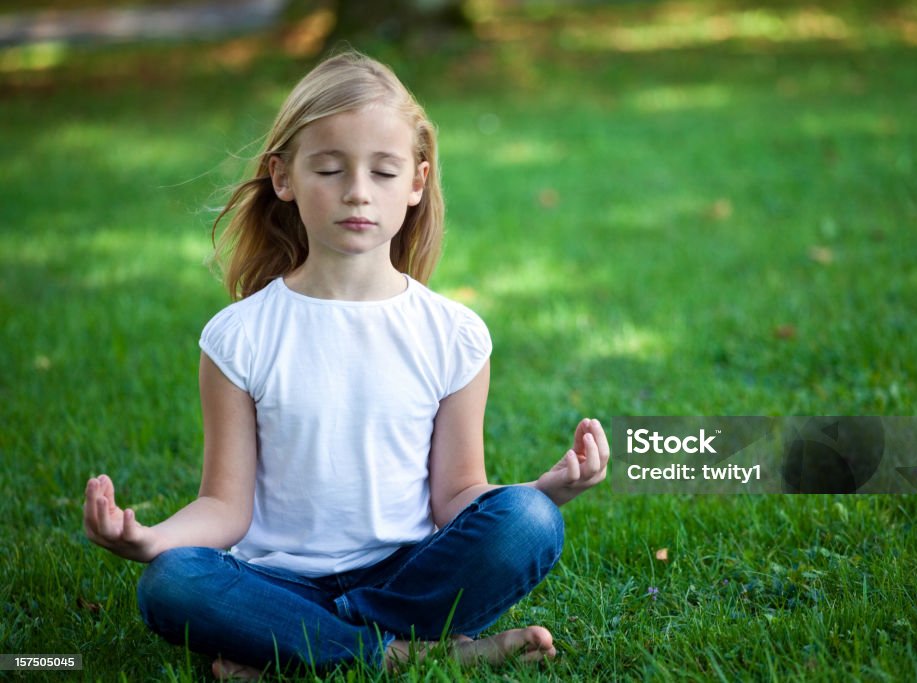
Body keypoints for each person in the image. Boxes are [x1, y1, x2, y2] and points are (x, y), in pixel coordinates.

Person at [82, 50, 609, 679]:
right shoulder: (239, 336)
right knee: (170, 582)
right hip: (277, 584)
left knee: (528, 521)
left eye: (383, 173)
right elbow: (224, 507)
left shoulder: (454, 334)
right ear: (283, 178)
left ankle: (296, 651)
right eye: (330, 169)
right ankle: (395, 654)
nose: (358, 191)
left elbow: (458, 496)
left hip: (409, 578)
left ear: (416, 183)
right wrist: (151, 539)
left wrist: (547, 491)